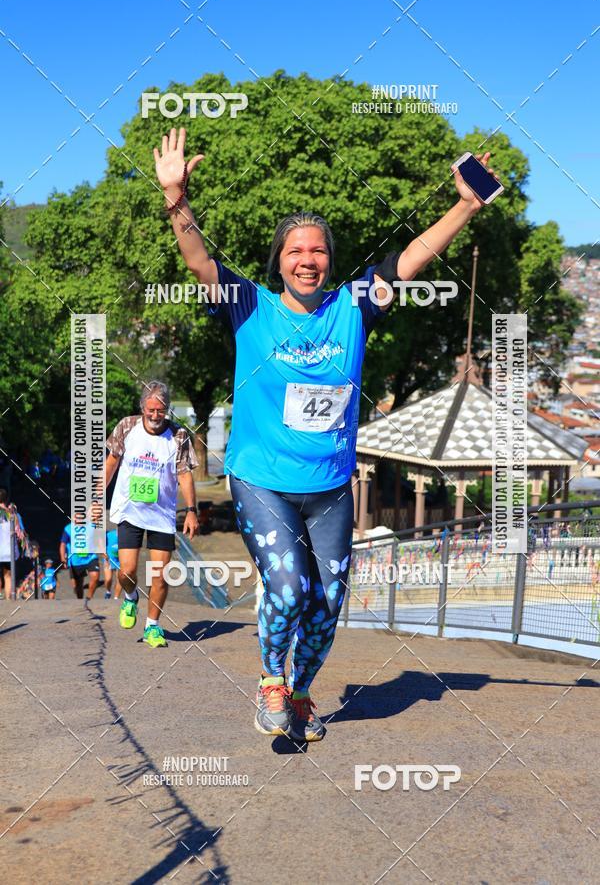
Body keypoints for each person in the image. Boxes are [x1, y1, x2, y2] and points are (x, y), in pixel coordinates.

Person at [155, 127, 500, 740]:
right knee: (286, 589)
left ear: (329, 262)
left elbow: (414, 255)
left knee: (327, 603)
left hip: (331, 489)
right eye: (294, 251)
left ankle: (304, 692)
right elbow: (198, 260)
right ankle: (270, 682)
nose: (307, 260)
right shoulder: (248, 305)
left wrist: (466, 206)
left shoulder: (355, 305)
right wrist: (177, 199)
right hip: (262, 481)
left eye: (317, 251)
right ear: (279, 260)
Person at [103, 381, 200, 648]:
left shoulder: (178, 436)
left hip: (162, 515)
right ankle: (131, 596)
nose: (156, 416)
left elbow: (185, 475)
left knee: (160, 574)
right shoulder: (126, 426)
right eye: (151, 410)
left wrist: (191, 511)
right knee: (127, 570)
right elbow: (111, 463)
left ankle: (153, 626)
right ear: (142, 408)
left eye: (161, 411)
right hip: (129, 511)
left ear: (167, 409)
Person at [59, 521, 100, 608]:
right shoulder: (68, 528)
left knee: (95, 576)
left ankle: (89, 599)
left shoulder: (92, 526)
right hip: (75, 561)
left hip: (90, 557)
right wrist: (63, 558)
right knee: (78, 586)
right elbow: (63, 544)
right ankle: (80, 601)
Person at [0, 489, 22, 600]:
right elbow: (19, 533)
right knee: (7, 575)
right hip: (8, 551)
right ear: (6, 499)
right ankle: (8, 599)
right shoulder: (12, 514)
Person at [103, 528, 120, 600]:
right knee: (108, 579)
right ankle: (108, 591)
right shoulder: (108, 534)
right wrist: (104, 554)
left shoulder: (127, 536)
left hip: (120, 560)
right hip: (109, 559)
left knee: (120, 579)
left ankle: (116, 597)